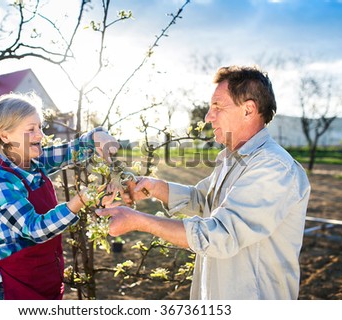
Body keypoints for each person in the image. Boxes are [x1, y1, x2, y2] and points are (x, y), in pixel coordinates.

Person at [97, 65, 311, 300]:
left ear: (248, 110)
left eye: (218, 106)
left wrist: (140, 221)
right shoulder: (233, 159)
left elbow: (221, 234)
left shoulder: (272, 167)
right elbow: (203, 200)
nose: (209, 116)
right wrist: (154, 187)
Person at [0, 92, 119, 300]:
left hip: (47, 281)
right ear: (5, 135)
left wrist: (97, 136)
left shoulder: (35, 163)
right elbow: (35, 229)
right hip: (15, 289)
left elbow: (72, 150)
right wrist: (79, 201)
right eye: (31, 129)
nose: (40, 135)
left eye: (40, 127)